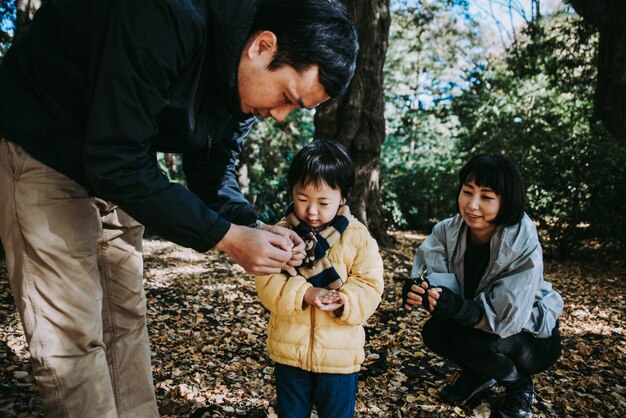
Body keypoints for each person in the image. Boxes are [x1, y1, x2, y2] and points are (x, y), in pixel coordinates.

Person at [0, 0, 358, 416]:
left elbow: (212, 173)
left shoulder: (243, 81)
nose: (279, 115)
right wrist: (227, 238)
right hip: (44, 141)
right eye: (286, 97)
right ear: (263, 46)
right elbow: (114, 158)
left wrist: (251, 226)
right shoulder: (166, 14)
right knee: (73, 338)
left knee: (125, 321)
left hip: (123, 167)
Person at [403, 154, 563, 418]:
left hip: (531, 336)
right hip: (479, 327)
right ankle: (478, 373)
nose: (472, 205)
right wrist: (418, 292)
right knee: (435, 332)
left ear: (506, 200)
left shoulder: (521, 241)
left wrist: (455, 306)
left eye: (486, 197)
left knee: (473, 341)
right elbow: (440, 289)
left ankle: (519, 385)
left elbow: (506, 318)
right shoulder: (447, 231)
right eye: (467, 192)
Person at [255, 140, 384, 418]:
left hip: (340, 356)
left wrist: (345, 301)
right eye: (302, 200)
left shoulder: (357, 237)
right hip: (290, 350)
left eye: (323, 202)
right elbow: (267, 282)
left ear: (344, 197)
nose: (311, 211)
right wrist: (305, 294)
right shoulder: (280, 233)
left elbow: (370, 284)